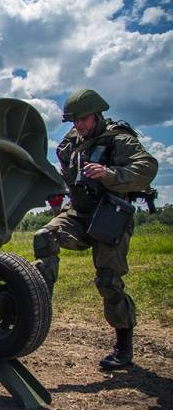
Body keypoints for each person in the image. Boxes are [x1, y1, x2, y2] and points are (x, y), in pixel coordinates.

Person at [32, 88, 157, 371]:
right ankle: (41, 301)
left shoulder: (119, 139)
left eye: (83, 119)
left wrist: (111, 174)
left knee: (108, 281)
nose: (79, 125)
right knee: (44, 237)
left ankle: (123, 347)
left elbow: (147, 167)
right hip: (79, 213)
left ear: (97, 114)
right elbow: (67, 175)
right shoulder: (69, 143)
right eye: (74, 121)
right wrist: (56, 194)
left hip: (111, 214)